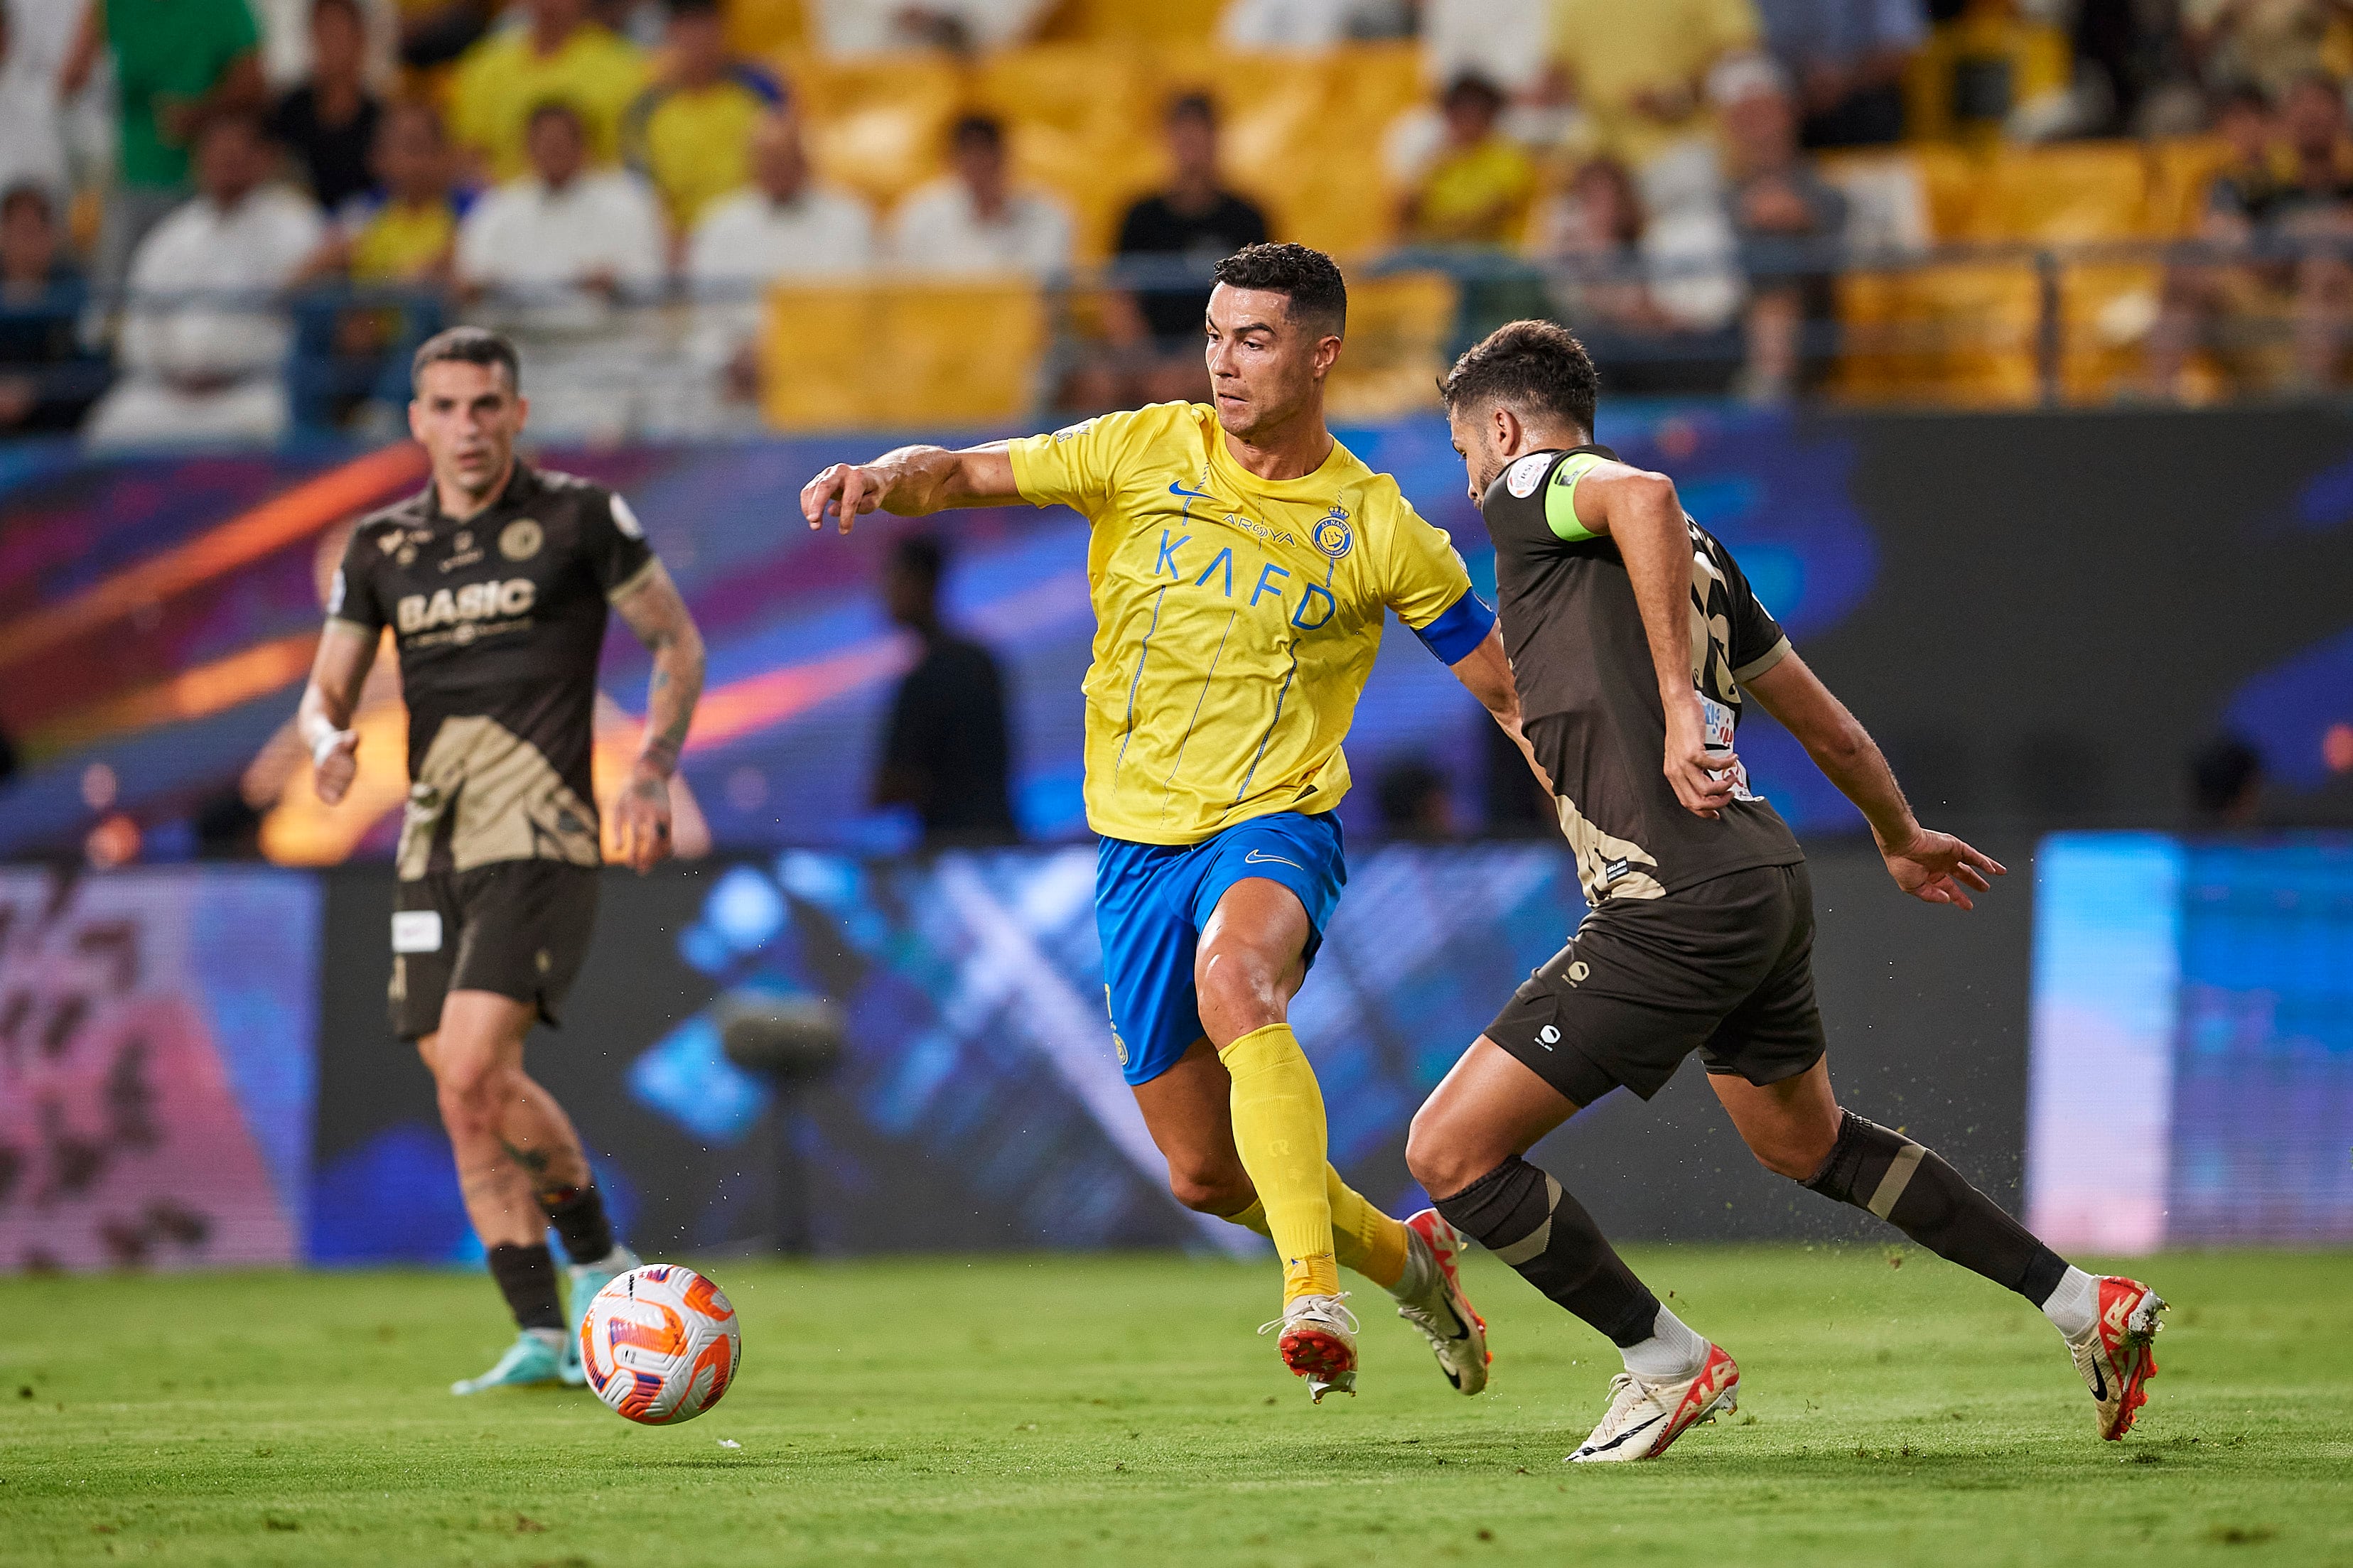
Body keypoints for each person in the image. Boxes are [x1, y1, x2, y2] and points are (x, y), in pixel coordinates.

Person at [1409, 319, 2168, 1462]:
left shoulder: (1539, 488)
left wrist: (1673, 700)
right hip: (1756, 878)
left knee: (1448, 1151)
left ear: (1504, 428)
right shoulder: (1702, 560)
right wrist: (1898, 833)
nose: (1472, 482)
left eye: (1467, 451)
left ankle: (1663, 1360)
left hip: (1668, 901)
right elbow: (1826, 719)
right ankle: (2081, 1304)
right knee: (1803, 1143)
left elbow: (1645, 492)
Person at [801, 242, 1513, 1402]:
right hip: (1135, 848)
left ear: (1322, 354)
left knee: (1239, 979)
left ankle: (1312, 1291)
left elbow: (1504, 687)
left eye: (1256, 340)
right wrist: (884, 475)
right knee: (1198, 1171)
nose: (1225, 365)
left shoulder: (1379, 527)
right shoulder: (1141, 445)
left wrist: (1602, 806)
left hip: (1274, 821)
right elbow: (968, 473)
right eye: (1215, 337)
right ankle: (1406, 1255)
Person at [292, 325, 706, 1395]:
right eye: (447, 406)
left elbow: (676, 642)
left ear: (518, 412)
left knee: (475, 1064)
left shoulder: (578, 516)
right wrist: (323, 740)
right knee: (466, 1090)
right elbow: (325, 690)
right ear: (417, 419)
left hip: (541, 832)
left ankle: (602, 1261)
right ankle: (543, 1332)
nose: (468, 426)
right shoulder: (380, 548)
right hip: (431, 842)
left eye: (487, 405)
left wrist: (652, 767)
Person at [83, 111, 325, 449]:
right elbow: (139, 325)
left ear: (261, 159)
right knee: (111, 426)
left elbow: (305, 320)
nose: (227, 162)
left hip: (252, 390)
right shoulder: (171, 235)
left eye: (237, 153)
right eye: (217, 152)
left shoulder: (295, 224)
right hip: (169, 393)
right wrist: (170, 374)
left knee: (276, 422)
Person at [454, 98, 665, 439]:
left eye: (563, 143)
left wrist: (616, 285)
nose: (554, 152)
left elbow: (652, 284)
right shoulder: (496, 213)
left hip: (604, 360)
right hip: (526, 360)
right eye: (544, 143)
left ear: (584, 147)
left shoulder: (627, 205)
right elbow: (470, 287)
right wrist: (481, 290)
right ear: (528, 149)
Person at [2151, 72, 2353, 396]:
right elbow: (2219, 237)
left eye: (2322, 104)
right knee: (2187, 266)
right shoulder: (2252, 190)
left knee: (2326, 265)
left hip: (2338, 316)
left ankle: (2308, 399)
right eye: (2300, 105)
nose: (2311, 114)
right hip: (2261, 312)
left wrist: (2274, 241)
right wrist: (2312, 233)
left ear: (2342, 119)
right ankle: (2157, 400)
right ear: (2281, 123)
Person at [60, 0, 268, 311]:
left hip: (205, 190)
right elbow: (70, 81)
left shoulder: (226, 7)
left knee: (204, 304)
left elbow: (255, 84)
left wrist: (198, 115)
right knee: (109, 308)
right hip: (132, 183)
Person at [681, 108, 873, 419]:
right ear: (751, 164)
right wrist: (730, 357)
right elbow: (701, 321)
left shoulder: (849, 220)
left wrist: (788, 356)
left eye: (785, 158)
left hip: (833, 385)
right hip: (741, 391)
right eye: (766, 159)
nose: (776, 168)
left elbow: (861, 312)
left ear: (806, 161)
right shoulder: (719, 225)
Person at [1093, 93, 1269, 409]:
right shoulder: (1139, 217)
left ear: (1217, 140)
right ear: (1168, 141)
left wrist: (1203, 356)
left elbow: (1259, 306)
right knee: (1094, 383)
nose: (1191, 147)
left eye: (1199, 136)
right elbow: (1118, 300)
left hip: (1220, 352)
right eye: (1183, 137)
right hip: (1142, 358)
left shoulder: (1247, 219)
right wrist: (1145, 362)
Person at [1713, 55, 1848, 401]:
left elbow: (1849, 245)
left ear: (1789, 116)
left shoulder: (1824, 193)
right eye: (1745, 119)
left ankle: (1769, 384)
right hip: (1708, 323)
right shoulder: (1709, 187)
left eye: (1765, 114)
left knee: (1775, 248)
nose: (1759, 130)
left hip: (1806, 330)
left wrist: (1804, 219)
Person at [871, 534, 1016, 845]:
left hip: (951, 854)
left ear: (920, 583)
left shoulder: (924, 678)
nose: (886, 593)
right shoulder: (981, 661)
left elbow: (893, 785)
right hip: (1000, 840)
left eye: (895, 580)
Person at [623, 0, 782, 237]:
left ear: (722, 29)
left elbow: (785, 163)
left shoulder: (760, 89)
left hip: (758, 230)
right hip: (679, 239)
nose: (697, 37)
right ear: (670, 33)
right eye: (687, 26)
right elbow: (638, 186)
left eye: (705, 25)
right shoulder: (646, 107)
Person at [446, 0, 647, 184]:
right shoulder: (483, 67)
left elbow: (632, 157)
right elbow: (470, 157)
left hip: (594, 202)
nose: (549, 4)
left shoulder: (623, 66)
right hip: (510, 203)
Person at [888, 112, 1072, 278]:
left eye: (986, 154)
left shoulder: (1049, 216)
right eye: (968, 156)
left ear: (1005, 157)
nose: (978, 165)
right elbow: (907, 296)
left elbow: (1048, 296)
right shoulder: (920, 215)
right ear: (951, 161)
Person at [0, 183, 105, 434]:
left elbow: (93, 364)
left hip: (56, 418)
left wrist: (39, 389)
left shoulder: (75, 290)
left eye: (37, 231)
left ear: (52, 234)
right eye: (21, 232)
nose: (28, 243)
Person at [1752, 0, 1927, 146]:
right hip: (1785, 96)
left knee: (1874, 109)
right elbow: (1743, 55)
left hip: (1859, 95)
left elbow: (1899, 52)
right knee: (1757, 113)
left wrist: (1842, 79)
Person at [1394, 73, 1539, 247]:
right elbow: (1404, 215)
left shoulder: (1509, 158)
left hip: (1488, 254)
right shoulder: (1437, 158)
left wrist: (1438, 235)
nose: (1463, 121)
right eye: (1455, 112)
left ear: (1490, 115)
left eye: (1472, 112)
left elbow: (1489, 218)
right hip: (1434, 251)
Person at [266, 0, 382, 214]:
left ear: (361, 39)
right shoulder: (289, 110)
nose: (332, 45)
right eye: (324, 34)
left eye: (340, 35)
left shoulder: (380, 118)